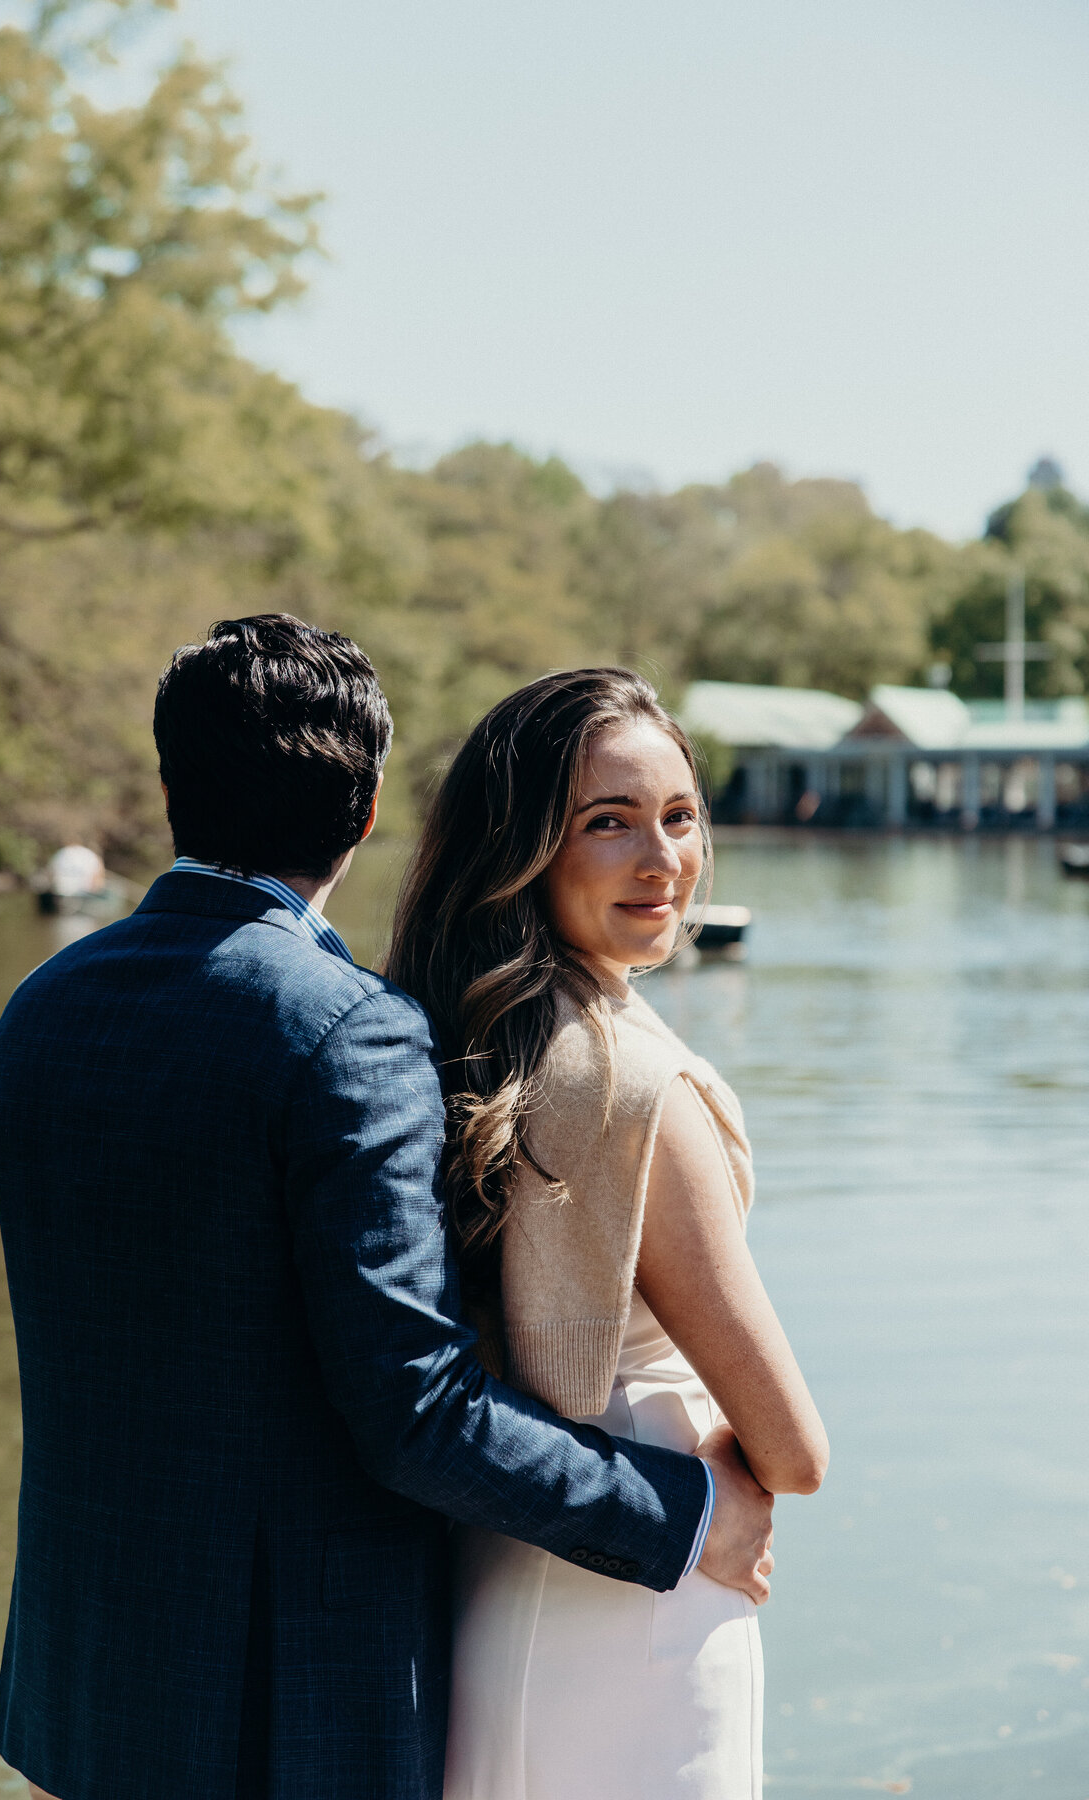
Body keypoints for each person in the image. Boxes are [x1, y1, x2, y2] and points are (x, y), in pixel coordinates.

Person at [0, 618, 774, 1800]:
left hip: (81, 1684)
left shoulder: (40, 1012)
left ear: (170, 785)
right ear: (365, 811)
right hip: (286, 1710)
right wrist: (679, 1508)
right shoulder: (346, 1031)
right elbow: (418, 1412)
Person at [386, 667, 829, 1800]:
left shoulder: (442, 1048)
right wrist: (733, 1471)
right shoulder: (641, 1086)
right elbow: (796, 1450)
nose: (661, 859)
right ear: (523, 849)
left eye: (679, 816)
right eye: (608, 822)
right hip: (647, 1589)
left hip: (497, 1563)